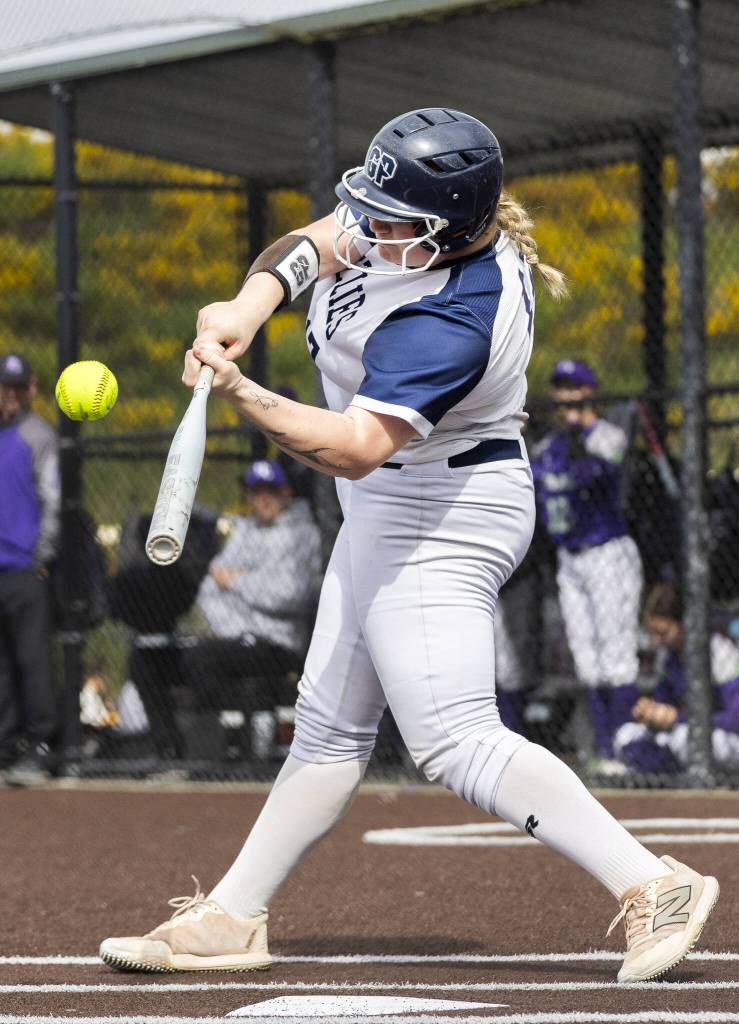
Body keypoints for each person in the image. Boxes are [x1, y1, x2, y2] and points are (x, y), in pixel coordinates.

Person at [101, 107, 718, 983]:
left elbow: (353, 447)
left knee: (454, 738)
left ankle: (652, 883)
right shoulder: (413, 220)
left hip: (445, 503)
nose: (371, 230)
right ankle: (232, 920)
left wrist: (241, 389)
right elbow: (317, 240)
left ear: (450, 230)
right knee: (323, 729)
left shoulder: (456, 314)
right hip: (391, 500)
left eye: (396, 225)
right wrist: (248, 303)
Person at [530, 360, 643, 772]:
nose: (566, 397)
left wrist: (580, 431)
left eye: (574, 388)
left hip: (607, 551)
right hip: (569, 557)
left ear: (590, 391)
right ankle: (603, 752)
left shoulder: (606, 435)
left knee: (616, 652)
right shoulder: (550, 445)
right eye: (560, 388)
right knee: (585, 655)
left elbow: (604, 469)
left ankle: (627, 747)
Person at [188, 459, 322, 717]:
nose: (262, 499)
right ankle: (172, 748)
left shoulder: (303, 534)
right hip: (232, 637)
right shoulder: (243, 531)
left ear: (286, 492)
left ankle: (240, 734)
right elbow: (209, 588)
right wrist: (233, 628)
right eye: (255, 492)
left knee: (200, 660)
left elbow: (290, 595)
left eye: (270, 491)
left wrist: (237, 581)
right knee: (151, 661)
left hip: (278, 643)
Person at [0, 352, 60, 786]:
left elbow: (53, 501)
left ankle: (40, 746)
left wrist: (41, 557)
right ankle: (6, 746)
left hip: (24, 567)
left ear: (30, 389)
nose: (10, 395)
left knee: (32, 660)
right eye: (5, 386)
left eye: (17, 387)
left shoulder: (38, 435)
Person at [614, 582, 739, 774]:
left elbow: (733, 719)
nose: (656, 640)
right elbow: (665, 701)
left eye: (663, 633)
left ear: (684, 625)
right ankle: (660, 772)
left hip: (725, 738)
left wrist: (677, 718)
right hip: (682, 730)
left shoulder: (720, 651)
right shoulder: (668, 655)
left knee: (685, 739)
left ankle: (662, 771)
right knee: (625, 735)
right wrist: (651, 712)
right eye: (652, 633)